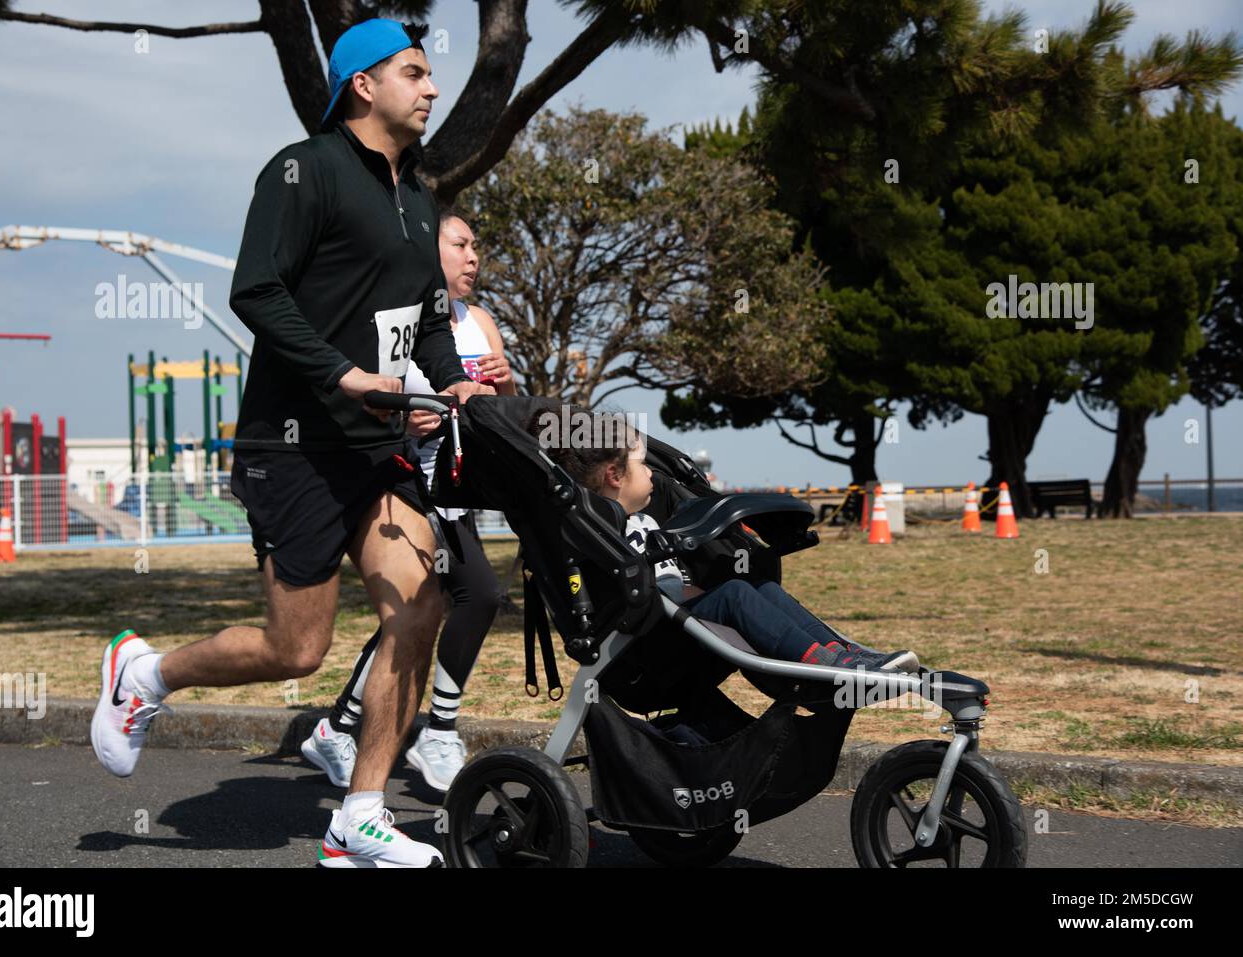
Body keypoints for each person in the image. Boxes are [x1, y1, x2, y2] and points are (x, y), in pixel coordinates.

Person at [90, 19, 493, 869]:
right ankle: (146, 675)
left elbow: (424, 323)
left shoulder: (418, 199)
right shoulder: (302, 171)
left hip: (374, 450)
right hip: (293, 445)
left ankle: (360, 814)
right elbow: (257, 290)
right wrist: (342, 376)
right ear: (362, 85)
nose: (431, 89)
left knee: (421, 606)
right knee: (297, 649)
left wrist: (452, 378)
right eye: (414, 73)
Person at [303, 209, 517, 792]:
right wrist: (406, 426)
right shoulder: (395, 323)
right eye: (460, 244)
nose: (474, 257)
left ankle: (338, 728)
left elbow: (501, 409)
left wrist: (505, 383)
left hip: (461, 488)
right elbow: (363, 402)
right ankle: (438, 730)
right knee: (476, 594)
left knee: (422, 609)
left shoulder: (481, 321)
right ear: (431, 254)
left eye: (477, 245)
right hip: (406, 485)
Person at [528, 409, 919, 671]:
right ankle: (823, 664)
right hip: (645, 645)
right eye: (642, 464)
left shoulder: (644, 520)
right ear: (615, 475)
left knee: (760, 586)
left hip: (674, 618)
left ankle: (844, 653)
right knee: (734, 594)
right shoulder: (598, 534)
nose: (650, 473)